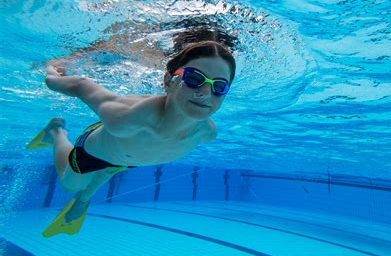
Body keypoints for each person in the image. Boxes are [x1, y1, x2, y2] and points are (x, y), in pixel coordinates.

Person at [27, 40, 236, 237]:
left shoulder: (207, 133)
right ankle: (56, 132)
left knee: (112, 167)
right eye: (194, 78)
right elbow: (81, 85)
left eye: (219, 86)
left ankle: (83, 200)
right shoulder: (125, 118)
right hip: (94, 154)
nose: (206, 92)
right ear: (168, 81)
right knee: (69, 185)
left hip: (125, 159)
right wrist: (52, 73)